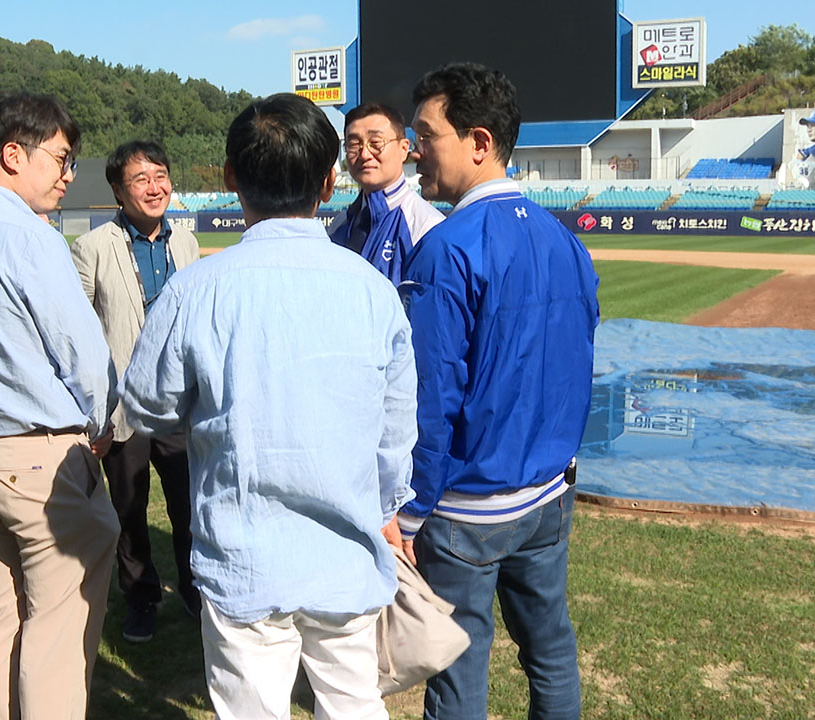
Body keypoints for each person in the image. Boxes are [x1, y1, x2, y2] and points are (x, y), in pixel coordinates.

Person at [121, 92, 417, 720]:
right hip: (342, 554)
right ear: (330, 181)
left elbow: (146, 406)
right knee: (354, 705)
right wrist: (388, 507)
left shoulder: (195, 289)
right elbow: (395, 433)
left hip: (245, 557)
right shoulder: (372, 290)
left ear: (230, 178)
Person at [395, 63, 599, 720]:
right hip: (547, 493)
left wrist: (410, 512)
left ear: (479, 142)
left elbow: (431, 398)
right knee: (551, 649)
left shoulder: (447, 248)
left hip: (469, 508)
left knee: (459, 671)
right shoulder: (563, 239)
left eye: (426, 135)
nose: (415, 151)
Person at [0, 92, 120, 720]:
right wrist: (104, 425)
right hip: (40, 457)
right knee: (55, 631)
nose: (68, 175)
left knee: (1, 616)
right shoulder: (31, 238)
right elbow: (84, 356)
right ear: (14, 154)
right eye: (60, 159)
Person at [69, 140, 201, 642]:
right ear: (118, 191)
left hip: (180, 403)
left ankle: (193, 588)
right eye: (141, 179)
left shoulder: (186, 242)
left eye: (160, 175)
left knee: (189, 506)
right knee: (129, 509)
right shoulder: (92, 248)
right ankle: (141, 596)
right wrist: (94, 407)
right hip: (124, 404)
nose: (154, 187)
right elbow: (78, 333)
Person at [328, 103, 443, 282]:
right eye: (354, 144)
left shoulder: (426, 227)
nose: (364, 154)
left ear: (403, 149)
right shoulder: (339, 225)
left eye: (376, 143)